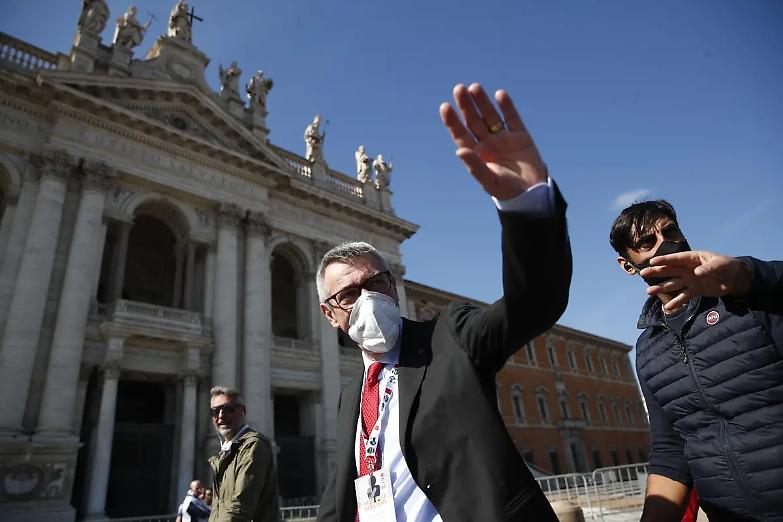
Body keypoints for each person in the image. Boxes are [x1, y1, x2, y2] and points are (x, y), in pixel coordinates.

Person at [314, 83, 572, 521]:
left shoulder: (450, 338)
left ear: (394, 287)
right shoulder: (351, 396)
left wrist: (527, 208)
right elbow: (344, 492)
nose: (369, 298)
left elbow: (534, 302)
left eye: (376, 283)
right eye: (349, 294)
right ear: (330, 313)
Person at [610, 200, 783, 521]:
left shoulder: (750, 296)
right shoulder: (648, 350)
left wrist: (747, 275)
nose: (665, 243)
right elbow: (670, 451)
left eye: (670, 230)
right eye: (647, 241)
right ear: (627, 264)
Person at [208, 386, 280, 522]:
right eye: (215, 411)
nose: (221, 416)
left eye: (228, 409)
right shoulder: (227, 450)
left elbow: (240, 507)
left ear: (243, 411)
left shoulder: (252, 445)